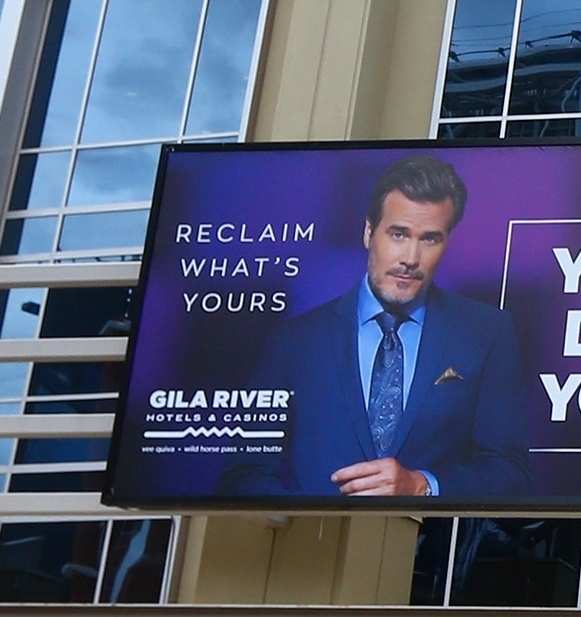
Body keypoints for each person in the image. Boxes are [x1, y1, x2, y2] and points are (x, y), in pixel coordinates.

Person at [223, 154, 534, 501]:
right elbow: (242, 476)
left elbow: (511, 473)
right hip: (309, 549)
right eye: (398, 234)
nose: (411, 258)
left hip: (425, 550)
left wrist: (421, 485)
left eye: (430, 239)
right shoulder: (295, 341)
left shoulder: (486, 332)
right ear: (369, 232)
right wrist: (312, 516)